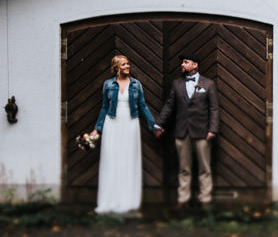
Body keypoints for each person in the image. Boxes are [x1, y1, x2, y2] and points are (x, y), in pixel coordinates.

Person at [155, 53, 220, 209]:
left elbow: (214, 108)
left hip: (202, 132)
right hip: (182, 131)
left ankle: (205, 199)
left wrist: (213, 129)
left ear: (195, 65)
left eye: (186, 62)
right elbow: (169, 105)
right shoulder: (177, 84)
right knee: (184, 168)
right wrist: (159, 124)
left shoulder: (208, 84)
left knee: (204, 168)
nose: (182, 65)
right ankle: (183, 199)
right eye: (182, 63)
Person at [92, 54, 156, 215]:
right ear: (116, 67)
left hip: (130, 122)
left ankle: (129, 200)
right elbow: (104, 108)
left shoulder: (136, 84)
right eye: (123, 65)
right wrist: (97, 128)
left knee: (129, 158)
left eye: (128, 64)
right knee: (111, 159)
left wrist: (152, 124)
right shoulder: (108, 84)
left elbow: (143, 105)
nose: (127, 67)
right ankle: (109, 201)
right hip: (112, 123)